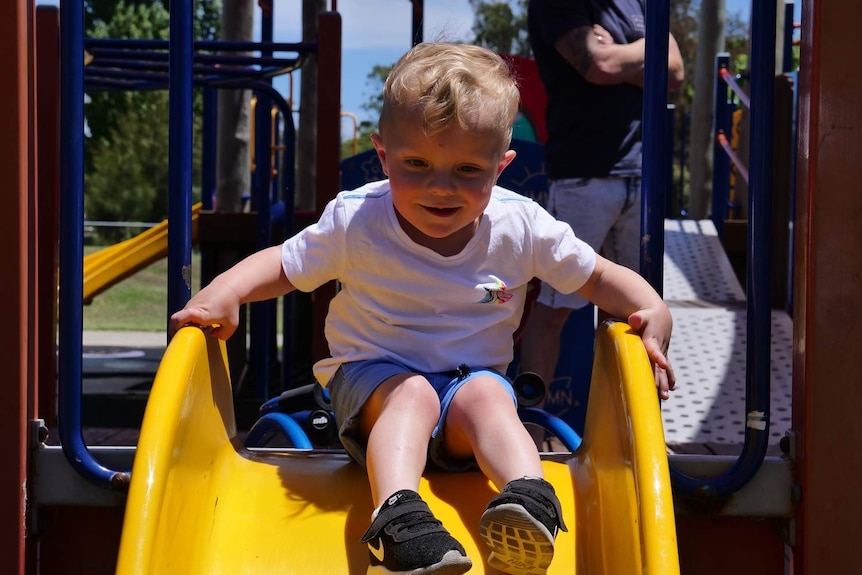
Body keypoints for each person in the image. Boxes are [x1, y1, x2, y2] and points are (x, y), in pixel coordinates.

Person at [170, 42, 674, 575]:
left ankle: (530, 503)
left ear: (501, 167)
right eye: (416, 164)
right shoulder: (357, 221)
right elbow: (284, 264)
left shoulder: (521, 226)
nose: (441, 187)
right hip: (374, 390)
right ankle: (397, 524)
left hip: (464, 401)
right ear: (382, 155)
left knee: (488, 393)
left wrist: (650, 306)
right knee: (410, 393)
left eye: (466, 169)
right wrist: (223, 292)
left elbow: (596, 275)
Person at [519, 0, 685, 419]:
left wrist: (621, 56)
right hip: (583, 174)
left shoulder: (636, 4)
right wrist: (647, 54)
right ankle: (532, 435)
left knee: (638, 310)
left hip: (641, 174)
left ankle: (629, 437)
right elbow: (598, 65)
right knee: (554, 309)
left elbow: (676, 71)